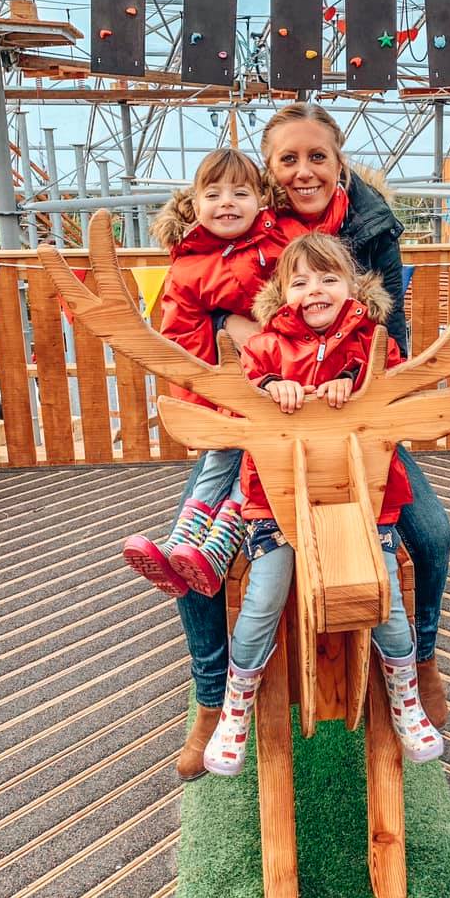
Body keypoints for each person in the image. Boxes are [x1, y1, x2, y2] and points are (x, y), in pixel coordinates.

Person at [174, 104, 450, 781]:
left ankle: (419, 659)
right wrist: (264, 367)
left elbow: (397, 334)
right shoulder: (248, 232)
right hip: (265, 415)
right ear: (269, 174)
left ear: (339, 160)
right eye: (288, 160)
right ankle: (214, 699)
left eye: (316, 157)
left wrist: (353, 380)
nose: (304, 172)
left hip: (349, 415)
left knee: (434, 534)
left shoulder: (371, 227)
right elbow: (213, 321)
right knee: (191, 551)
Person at [203, 233, 443, 775]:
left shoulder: (371, 341)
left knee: (382, 589)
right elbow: (242, 395)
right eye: (302, 281)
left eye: (329, 278)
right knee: (263, 593)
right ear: (283, 293)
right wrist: (271, 388)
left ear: (351, 286)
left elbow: (392, 387)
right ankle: (234, 708)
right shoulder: (264, 346)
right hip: (277, 499)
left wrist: (350, 386)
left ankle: (406, 697)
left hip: (361, 501)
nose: (317, 290)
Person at [121, 149, 289, 599]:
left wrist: (266, 343)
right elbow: (179, 334)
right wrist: (227, 351)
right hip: (224, 389)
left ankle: (216, 549)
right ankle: (181, 542)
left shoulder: (277, 247)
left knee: (251, 469)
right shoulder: (187, 263)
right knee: (219, 462)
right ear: (194, 203)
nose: (226, 202)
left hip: (277, 384)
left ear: (262, 201)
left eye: (240, 192)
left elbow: (296, 307)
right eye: (213, 194)